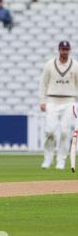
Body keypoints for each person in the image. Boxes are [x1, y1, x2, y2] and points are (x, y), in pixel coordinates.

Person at [39, 41, 78, 170]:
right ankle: (48, 159)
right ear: (59, 50)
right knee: (50, 131)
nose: (65, 51)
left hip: (69, 101)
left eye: (67, 49)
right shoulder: (49, 64)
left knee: (65, 132)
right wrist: (42, 100)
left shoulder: (75, 65)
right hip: (52, 101)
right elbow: (43, 84)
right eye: (63, 49)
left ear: (70, 50)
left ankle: (61, 160)